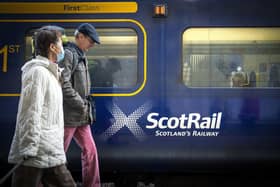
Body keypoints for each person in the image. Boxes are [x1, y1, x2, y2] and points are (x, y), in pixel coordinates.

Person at [8, 26, 76, 187]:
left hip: (50, 149)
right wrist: (28, 148)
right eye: (61, 43)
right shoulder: (38, 72)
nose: (63, 49)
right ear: (52, 47)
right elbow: (30, 112)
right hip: (36, 151)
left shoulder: (51, 74)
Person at [59, 23, 101, 187]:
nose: (91, 46)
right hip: (69, 116)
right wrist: (80, 104)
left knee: (90, 151)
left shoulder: (80, 54)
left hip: (81, 117)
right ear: (80, 36)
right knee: (57, 155)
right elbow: (64, 84)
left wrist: (84, 107)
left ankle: (93, 184)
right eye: (90, 41)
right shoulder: (69, 54)